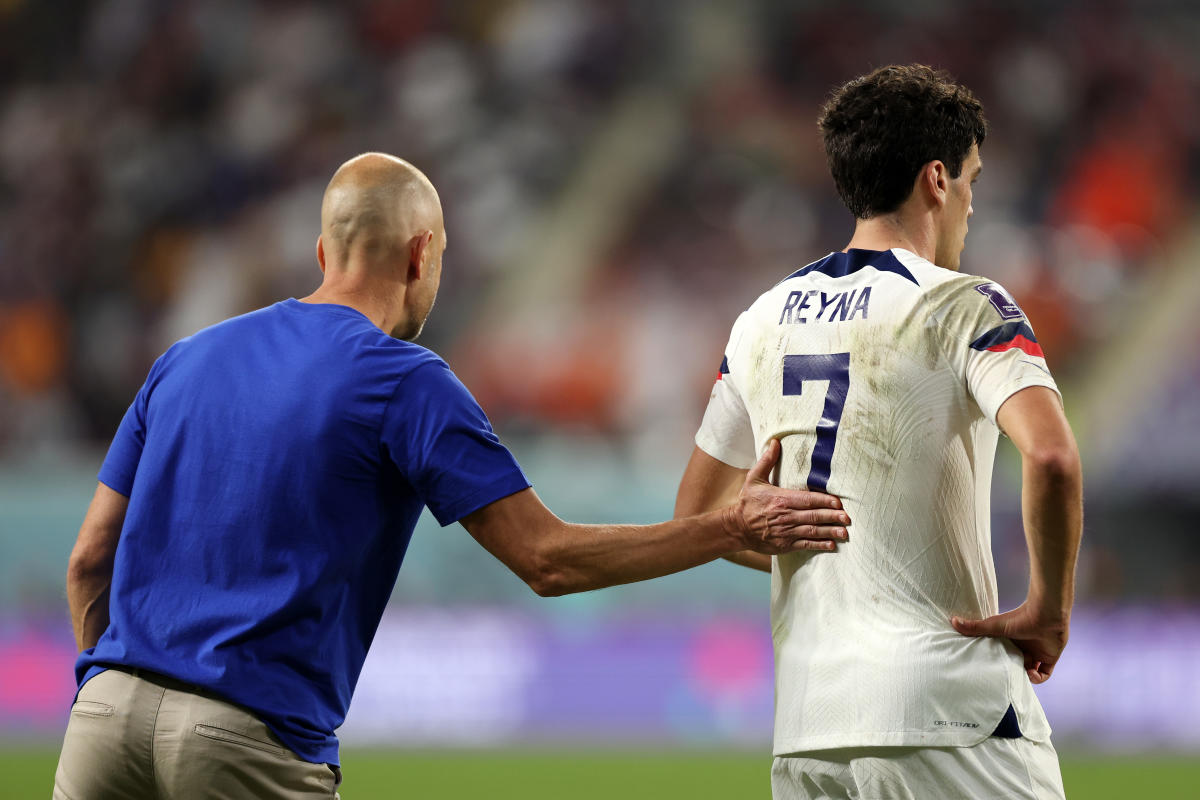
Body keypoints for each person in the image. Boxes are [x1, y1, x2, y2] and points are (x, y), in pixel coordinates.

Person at [55, 153, 852, 799]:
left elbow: (91, 558)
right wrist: (725, 527)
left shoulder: (183, 361)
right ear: (420, 253)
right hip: (242, 738)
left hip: (102, 720)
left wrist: (109, 700)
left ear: (324, 253)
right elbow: (547, 558)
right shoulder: (403, 379)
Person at [674, 65, 1083, 799]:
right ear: (936, 179)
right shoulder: (965, 304)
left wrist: (835, 551)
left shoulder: (760, 319)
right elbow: (1051, 457)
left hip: (809, 729)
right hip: (949, 710)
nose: (969, 205)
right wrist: (1048, 610)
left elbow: (699, 520)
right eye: (971, 182)